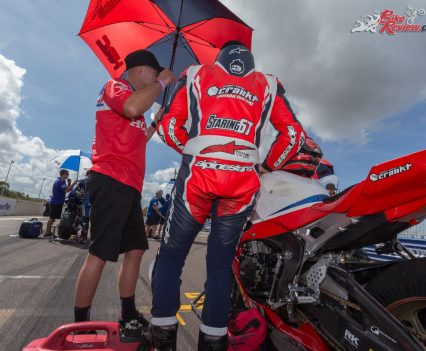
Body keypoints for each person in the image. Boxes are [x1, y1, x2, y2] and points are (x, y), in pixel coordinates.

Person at [152, 41, 306, 350]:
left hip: (198, 176)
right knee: (221, 267)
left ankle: (162, 339)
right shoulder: (270, 84)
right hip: (242, 181)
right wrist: (268, 165)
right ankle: (213, 341)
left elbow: (168, 126)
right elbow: (293, 135)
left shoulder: (194, 73)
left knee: (170, 256)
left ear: (219, 54)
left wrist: (192, 149)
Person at [73, 49, 175, 337]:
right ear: (143, 70)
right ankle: (80, 325)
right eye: (155, 73)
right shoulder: (116, 87)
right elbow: (131, 109)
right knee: (99, 253)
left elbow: (138, 139)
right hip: (110, 179)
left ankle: (128, 313)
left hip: (129, 185)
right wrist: (163, 83)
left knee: (136, 248)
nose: (156, 78)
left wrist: (156, 122)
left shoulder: (137, 105)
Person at [45, 169, 76, 236]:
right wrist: (74, 183)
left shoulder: (63, 181)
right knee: (52, 218)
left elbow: (67, 189)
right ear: (63, 174)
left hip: (59, 202)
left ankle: (49, 231)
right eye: (67, 174)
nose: (68, 176)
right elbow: (67, 190)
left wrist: (69, 183)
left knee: (53, 218)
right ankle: (47, 232)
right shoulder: (59, 181)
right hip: (55, 202)